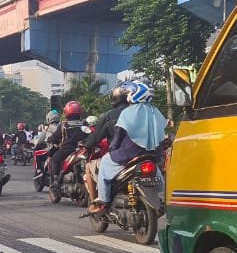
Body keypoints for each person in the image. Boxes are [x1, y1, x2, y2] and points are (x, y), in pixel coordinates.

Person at [89, 80, 169, 214]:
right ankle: (160, 198)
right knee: (157, 169)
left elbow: (117, 137)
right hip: (152, 155)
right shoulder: (155, 112)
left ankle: (102, 200)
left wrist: (112, 149)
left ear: (134, 94)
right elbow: (162, 134)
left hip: (129, 154)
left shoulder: (128, 112)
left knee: (104, 162)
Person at [83, 84, 130, 203]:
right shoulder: (138, 113)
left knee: (90, 166)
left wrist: (87, 145)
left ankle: (98, 203)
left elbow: (96, 137)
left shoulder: (110, 115)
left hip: (120, 155)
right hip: (142, 154)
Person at [47, 100, 87, 191]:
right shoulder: (84, 123)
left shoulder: (64, 125)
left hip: (67, 150)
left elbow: (55, 137)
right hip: (83, 150)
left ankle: (56, 181)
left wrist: (50, 139)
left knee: (55, 159)